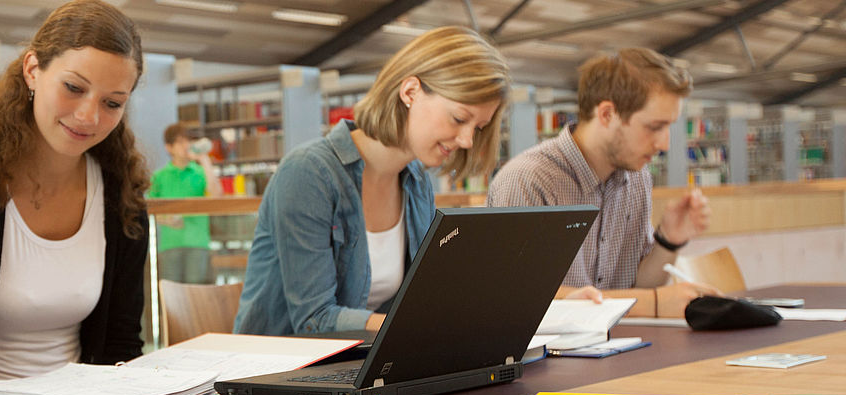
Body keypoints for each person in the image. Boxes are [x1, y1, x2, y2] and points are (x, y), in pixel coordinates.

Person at [0, 0, 149, 395]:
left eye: (113, 103)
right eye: (74, 88)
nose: (89, 117)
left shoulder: (121, 199)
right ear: (32, 71)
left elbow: (121, 347)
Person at [232, 26, 511, 336]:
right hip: (283, 368)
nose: (468, 140)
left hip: (361, 363)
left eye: (479, 127)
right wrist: (419, 326)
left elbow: (422, 297)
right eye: (459, 119)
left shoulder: (417, 183)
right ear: (410, 92)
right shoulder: (309, 173)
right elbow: (314, 321)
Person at [487, 48, 719, 318]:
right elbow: (519, 301)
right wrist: (652, 303)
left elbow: (639, 286)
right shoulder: (528, 181)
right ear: (607, 114)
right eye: (654, 127)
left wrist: (668, 241)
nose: (664, 144)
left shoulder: (637, 177)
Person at [148, 122, 224, 284]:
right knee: (170, 298)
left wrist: (204, 161)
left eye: (187, 141)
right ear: (169, 147)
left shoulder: (200, 172)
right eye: (180, 142)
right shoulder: (159, 176)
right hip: (169, 246)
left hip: (198, 244)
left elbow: (217, 196)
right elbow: (148, 210)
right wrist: (168, 220)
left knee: (195, 297)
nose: (185, 146)